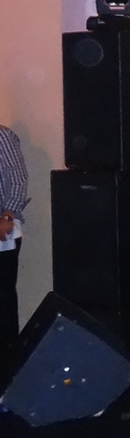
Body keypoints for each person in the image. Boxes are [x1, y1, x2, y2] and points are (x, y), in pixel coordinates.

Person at [0, 124, 29, 351]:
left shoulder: (2, 136)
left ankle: (7, 360)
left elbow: (18, 179)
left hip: (2, 231)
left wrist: (7, 216)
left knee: (3, 302)